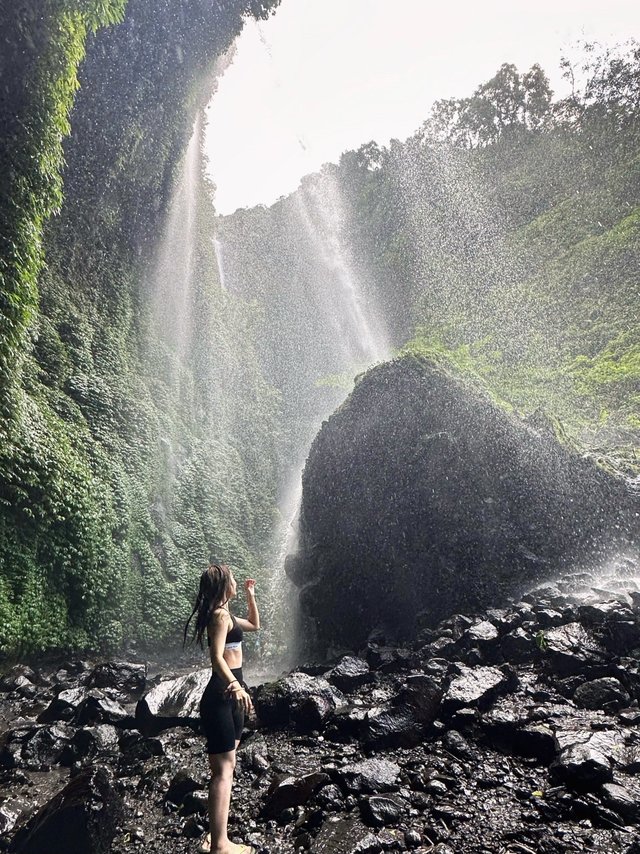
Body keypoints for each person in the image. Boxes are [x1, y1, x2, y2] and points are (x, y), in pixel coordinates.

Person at [184, 562, 260, 854]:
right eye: (234, 580)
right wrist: (237, 686)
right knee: (223, 770)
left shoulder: (225, 614)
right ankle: (220, 845)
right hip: (222, 694)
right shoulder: (218, 616)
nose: (237, 582)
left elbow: (254, 625)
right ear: (224, 586)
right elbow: (216, 658)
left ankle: (217, 836)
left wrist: (251, 595)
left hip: (232, 694)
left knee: (226, 766)